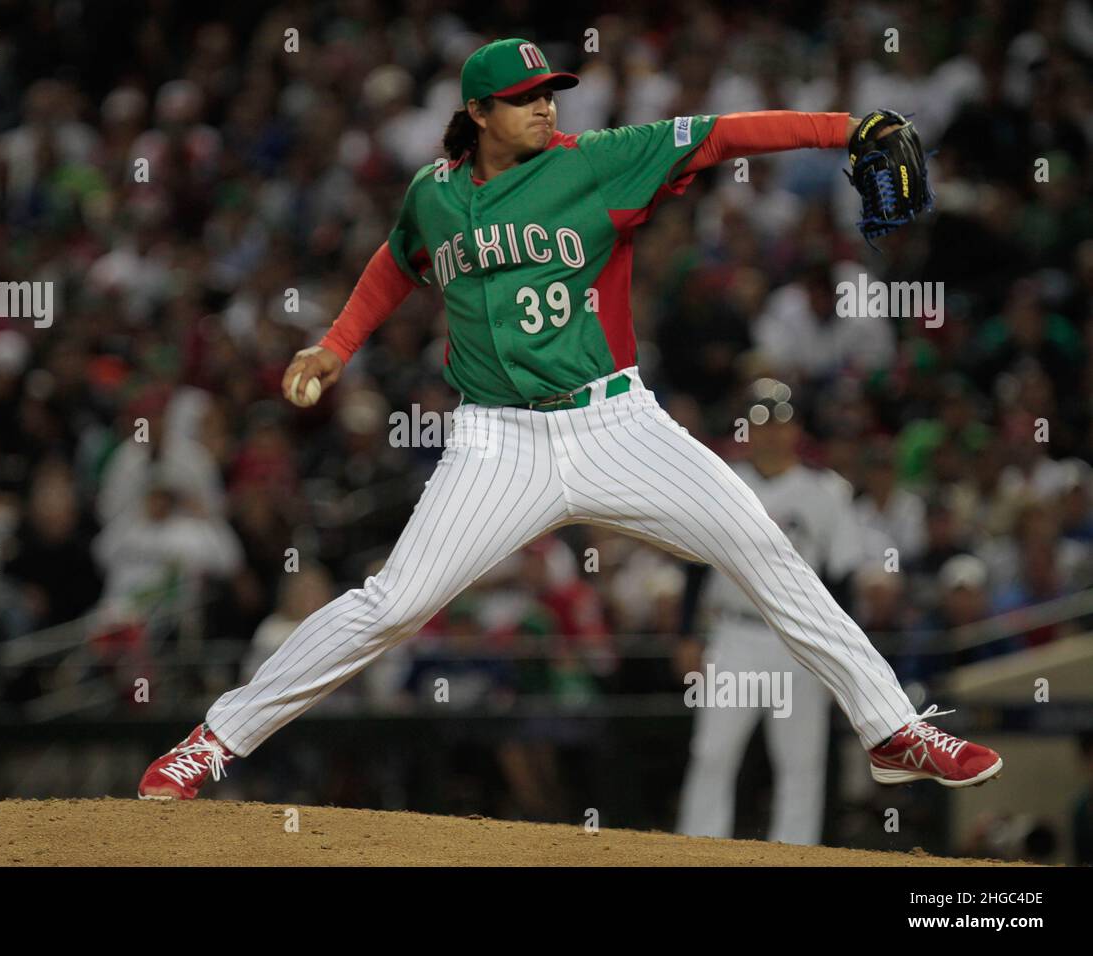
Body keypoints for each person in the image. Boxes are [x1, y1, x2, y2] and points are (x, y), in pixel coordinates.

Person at [138, 38, 1002, 801]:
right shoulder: (435, 195)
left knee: (765, 548)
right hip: (496, 441)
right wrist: (335, 346)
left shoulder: (598, 159)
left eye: (550, 91)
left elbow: (724, 132)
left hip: (616, 425)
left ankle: (893, 731)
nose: (546, 105)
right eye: (524, 98)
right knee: (392, 604)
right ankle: (214, 741)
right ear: (478, 113)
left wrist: (847, 127)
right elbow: (398, 261)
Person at [674, 381, 864, 845]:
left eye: (781, 422)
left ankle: (795, 853)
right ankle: (698, 850)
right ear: (748, 430)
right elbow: (697, 569)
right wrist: (686, 634)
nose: (773, 433)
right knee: (712, 752)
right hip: (735, 634)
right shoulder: (724, 483)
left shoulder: (826, 491)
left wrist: (844, 656)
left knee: (801, 762)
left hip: (801, 642)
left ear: (796, 429)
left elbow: (842, 580)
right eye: (762, 422)